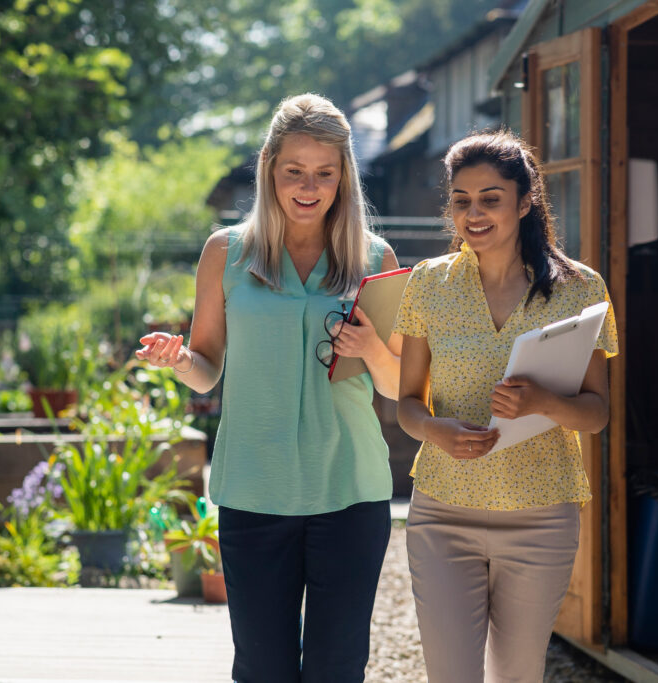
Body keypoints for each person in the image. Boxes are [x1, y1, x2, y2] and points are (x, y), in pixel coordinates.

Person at [135, 93, 401, 682]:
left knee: (337, 669)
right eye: (294, 172)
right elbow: (207, 363)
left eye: (324, 174)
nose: (309, 187)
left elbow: (396, 382)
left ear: (343, 176)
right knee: (262, 669)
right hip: (255, 489)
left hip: (350, 489)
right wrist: (180, 361)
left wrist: (373, 350)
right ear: (269, 169)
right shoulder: (226, 253)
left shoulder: (375, 257)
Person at [393, 130, 618, 682]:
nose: (474, 213)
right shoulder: (429, 284)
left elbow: (597, 412)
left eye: (490, 198)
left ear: (524, 201)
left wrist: (543, 402)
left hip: (541, 516)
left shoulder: (581, 289)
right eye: (462, 200)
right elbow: (405, 404)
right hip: (443, 512)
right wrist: (435, 430)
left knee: (517, 676)